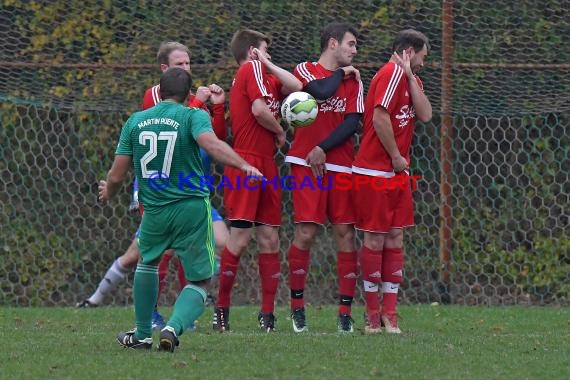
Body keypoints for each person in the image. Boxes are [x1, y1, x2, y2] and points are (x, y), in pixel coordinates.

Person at [101, 67, 263, 351]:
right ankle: (173, 328)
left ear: (159, 91)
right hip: (190, 208)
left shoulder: (135, 122)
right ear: (189, 95)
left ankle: (141, 334)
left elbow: (116, 176)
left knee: (147, 264)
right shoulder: (193, 115)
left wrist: (108, 191)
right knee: (200, 279)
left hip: (154, 210)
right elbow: (211, 144)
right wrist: (243, 165)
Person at [76, 42, 229, 332]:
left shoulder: (193, 100)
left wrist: (217, 109)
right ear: (164, 68)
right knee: (155, 253)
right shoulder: (157, 95)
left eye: (188, 63)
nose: (186, 68)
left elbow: (214, 140)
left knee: (216, 243)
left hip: (190, 187)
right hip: (160, 187)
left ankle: (185, 314)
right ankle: (151, 316)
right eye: (180, 64)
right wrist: (198, 103)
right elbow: (167, 127)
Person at [212, 28, 302, 332]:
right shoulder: (250, 69)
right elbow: (259, 109)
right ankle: (221, 310)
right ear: (252, 52)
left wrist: (270, 63)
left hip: (267, 166)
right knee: (240, 238)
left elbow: (297, 85)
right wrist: (279, 131)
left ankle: (267, 315)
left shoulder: (265, 74)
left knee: (270, 239)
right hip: (245, 163)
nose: (270, 56)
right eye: (266, 50)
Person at [285, 22, 364, 333]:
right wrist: (341, 74)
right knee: (306, 232)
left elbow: (352, 123)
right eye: (351, 44)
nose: (355, 52)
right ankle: (297, 308)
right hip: (305, 163)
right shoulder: (305, 69)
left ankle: (344, 313)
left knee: (345, 233)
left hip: (341, 165)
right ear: (333, 43)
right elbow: (318, 91)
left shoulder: (357, 82)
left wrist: (323, 147)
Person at [352, 29, 432, 334]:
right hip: (375, 173)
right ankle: (372, 315)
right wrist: (397, 156)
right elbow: (379, 118)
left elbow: (425, 114)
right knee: (375, 240)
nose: (424, 64)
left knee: (395, 238)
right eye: (422, 57)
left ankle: (390, 313)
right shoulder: (388, 75)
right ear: (410, 52)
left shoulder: (409, 79)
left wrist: (412, 78)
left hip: (397, 174)